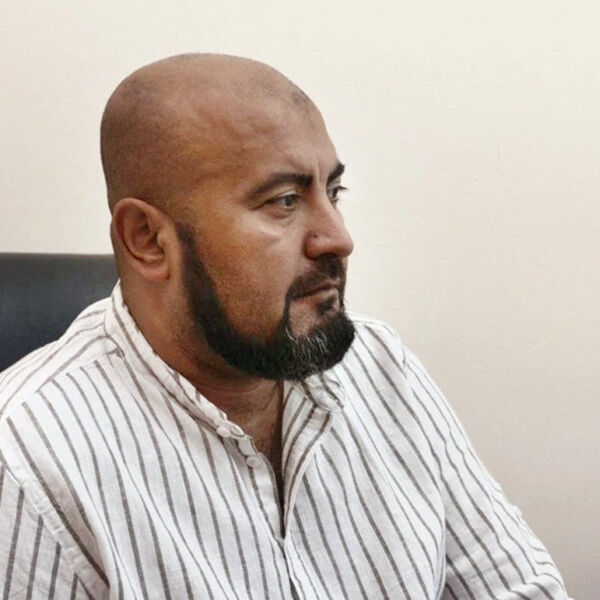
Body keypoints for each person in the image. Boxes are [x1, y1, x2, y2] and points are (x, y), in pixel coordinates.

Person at [0, 54, 570, 599]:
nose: (338, 238)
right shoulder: (30, 460)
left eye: (333, 192)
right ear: (148, 240)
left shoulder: (380, 367)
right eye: (285, 200)